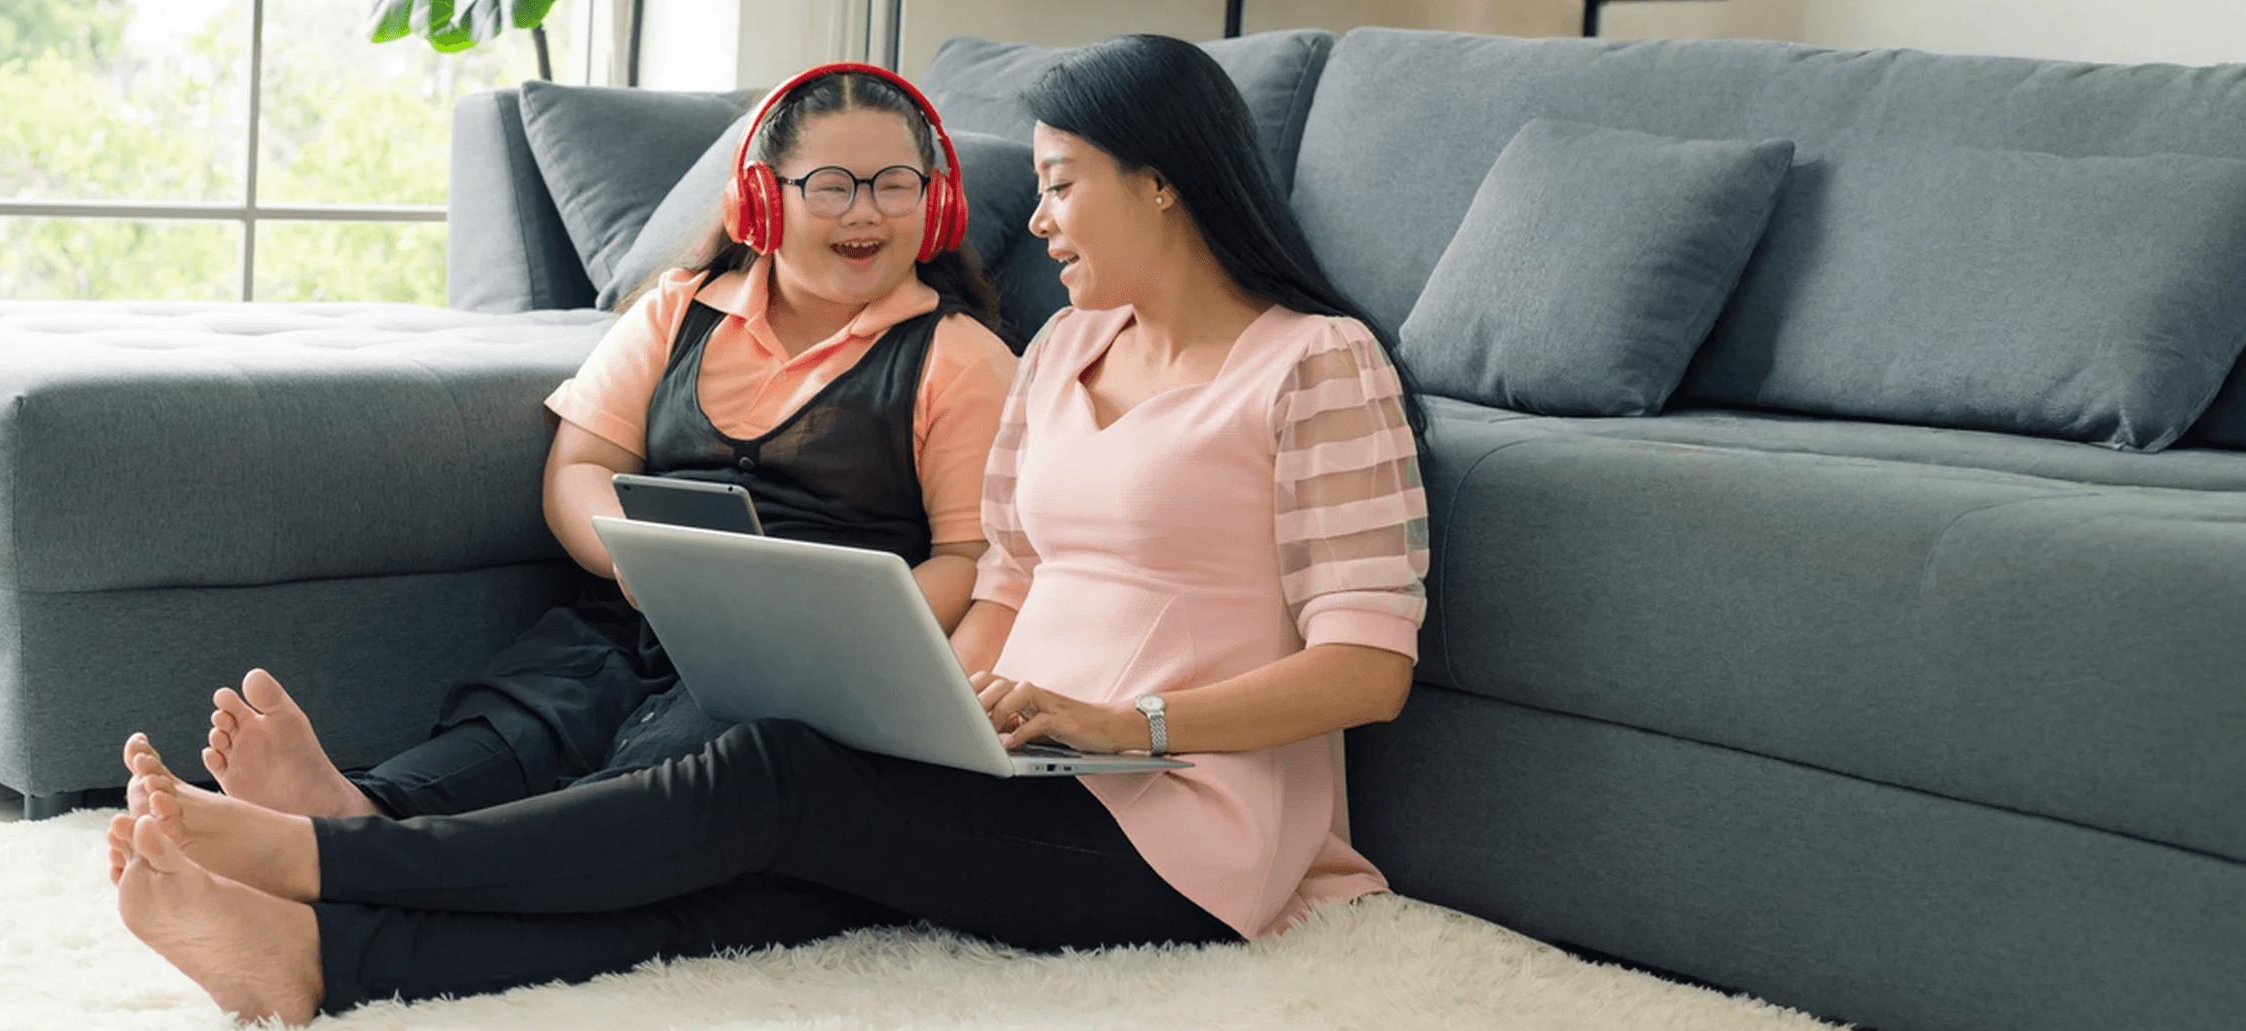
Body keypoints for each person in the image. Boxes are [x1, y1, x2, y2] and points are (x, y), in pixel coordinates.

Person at [104, 36, 1434, 1023]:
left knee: (770, 775)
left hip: (1177, 823)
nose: (1035, 220)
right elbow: (1015, 577)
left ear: (1164, 184)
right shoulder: (1070, 345)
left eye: (1062, 186)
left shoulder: (1317, 366)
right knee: (746, 878)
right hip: (1023, 759)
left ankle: (329, 852)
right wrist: (931, 707)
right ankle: (322, 961)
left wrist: (1128, 723)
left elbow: (1368, 668)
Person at [192, 63, 1019, 824]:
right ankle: (353, 806)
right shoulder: (678, 310)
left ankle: (376, 852)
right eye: (832, 187)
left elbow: (970, 556)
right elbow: (580, 466)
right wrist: (626, 558)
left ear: (935, 202)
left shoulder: (959, 356)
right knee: (527, 720)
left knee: (655, 782)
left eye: (896, 185)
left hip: (803, 672)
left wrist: (855, 632)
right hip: (637, 623)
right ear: (761, 203)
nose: (866, 211)